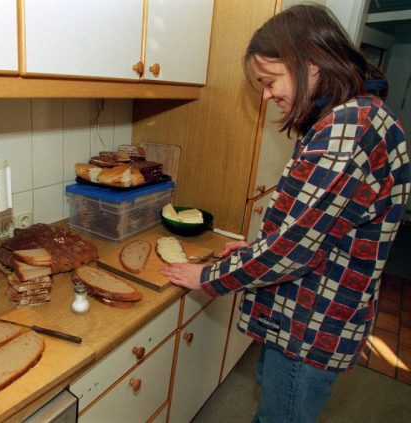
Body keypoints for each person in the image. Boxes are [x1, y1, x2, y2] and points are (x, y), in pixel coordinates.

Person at [160, 4, 410, 423]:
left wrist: (209, 277)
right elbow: (322, 226)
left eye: (270, 80)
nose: (267, 94)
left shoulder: (344, 131)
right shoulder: (367, 114)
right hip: (318, 308)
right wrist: (258, 248)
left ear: (310, 64)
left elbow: (296, 249)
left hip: (310, 323)